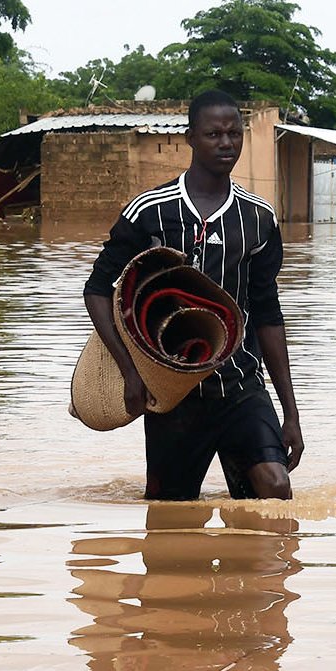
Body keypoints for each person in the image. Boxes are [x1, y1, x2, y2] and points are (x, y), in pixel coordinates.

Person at [83, 91, 303, 501]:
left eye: (234, 134)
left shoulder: (258, 218)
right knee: (170, 515)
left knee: (275, 486)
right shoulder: (149, 211)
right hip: (172, 396)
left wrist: (291, 413)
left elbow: (268, 314)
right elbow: (97, 290)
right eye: (214, 134)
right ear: (190, 138)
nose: (226, 143)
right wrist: (130, 371)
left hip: (240, 386)